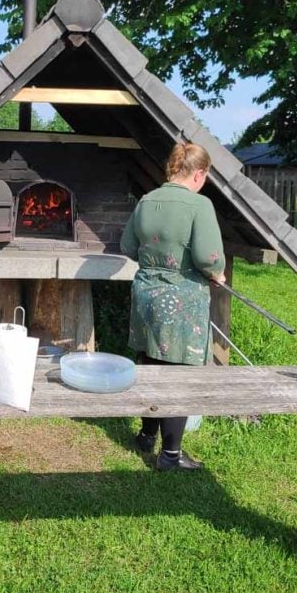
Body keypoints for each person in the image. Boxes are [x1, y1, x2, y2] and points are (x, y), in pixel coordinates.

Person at [120, 142, 226, 471]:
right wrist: (217, 272)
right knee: (180, 374)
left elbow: (128, 246)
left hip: (146, 294)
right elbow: (207, 257)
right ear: (198, 173)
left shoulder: (146, 201)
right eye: (205, 177)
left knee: (151, 361)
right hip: (181, 300)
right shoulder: (199, 205)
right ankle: (170, 456)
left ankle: (147, 434)